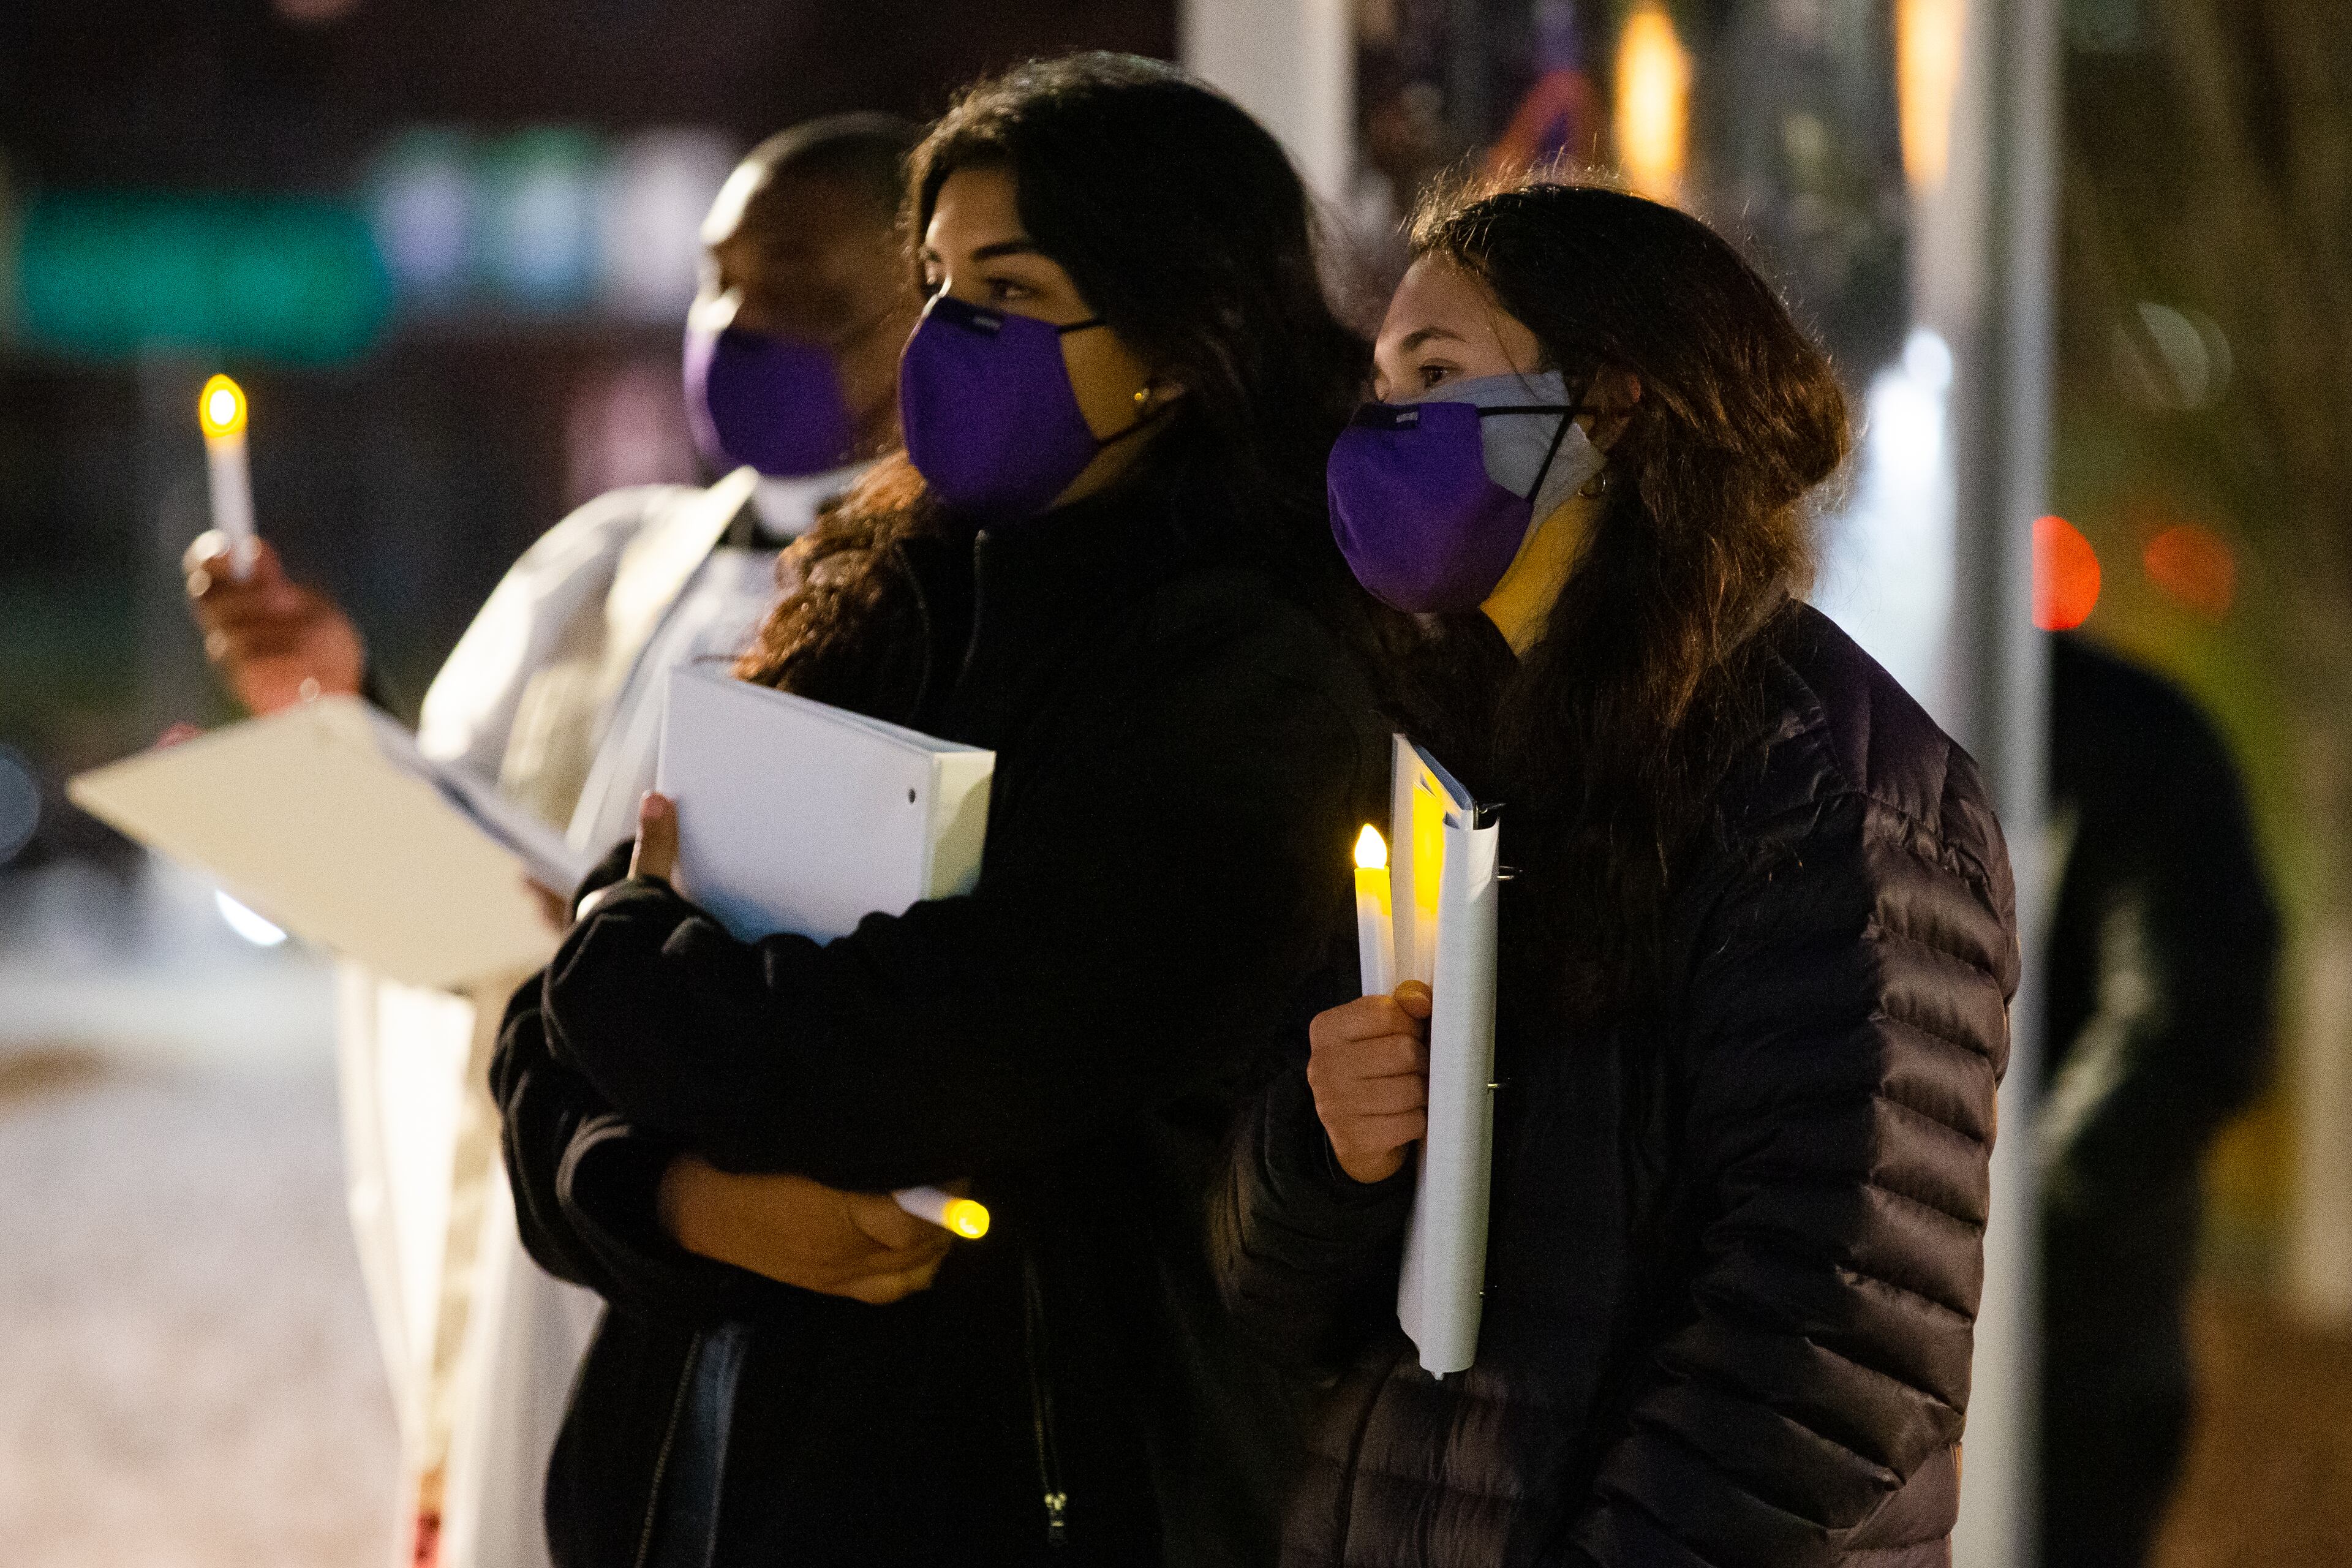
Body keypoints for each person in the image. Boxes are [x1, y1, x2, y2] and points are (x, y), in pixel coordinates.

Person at [491, 53, 1421, 1567]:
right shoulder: (871, 607)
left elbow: (956, 1050)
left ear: (1175, 345)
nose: (938, 335)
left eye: (1007, 286)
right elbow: (541, 1061)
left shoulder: (1249, 681)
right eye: (931, 279)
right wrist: (691, 1200)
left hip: (1033, 1493)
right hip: (694, 1487)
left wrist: (622, 958)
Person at [1210, 178, 2019, 1567]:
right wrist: (1327, 1147)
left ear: (1615, 407)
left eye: (1438, 373)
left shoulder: (1831, 796)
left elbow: (1836, 1335)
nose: (1380, 425)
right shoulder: (1446, 759)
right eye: (1381, 379)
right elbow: (1272, 1292)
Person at [183, 113, 922, 1568]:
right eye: (719, 282)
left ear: (926, 309)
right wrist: (339, 704)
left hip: (733, 1241)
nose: (738, 326)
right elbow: (450, 820)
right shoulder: (604, 559)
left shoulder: (931, 590)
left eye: (800, 292)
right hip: (547, 1196)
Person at [2038, 632, 2278, 1568]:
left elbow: (2192, 1025)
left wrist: (1991, 1235)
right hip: (2076, 1339)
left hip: (2080, 1358)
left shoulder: (2131, 740)